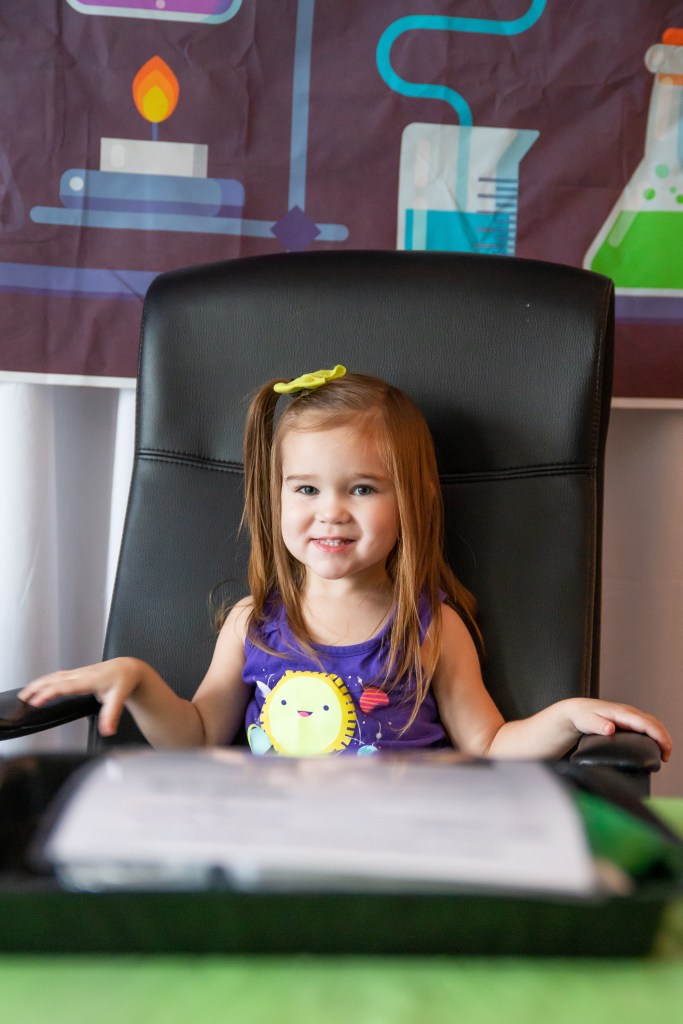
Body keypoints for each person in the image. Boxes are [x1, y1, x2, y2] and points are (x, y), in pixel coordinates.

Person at [19, 366, 672, 762]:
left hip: (401, 835)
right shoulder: (253, 623)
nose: (330, 512)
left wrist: (562, 718)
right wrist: (137, 681)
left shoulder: (431, 626)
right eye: (305, 489)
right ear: (271, 499)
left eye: (361, 488)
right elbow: (195, 737)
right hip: (274, 835)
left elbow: (488, 745)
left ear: (409, 502)